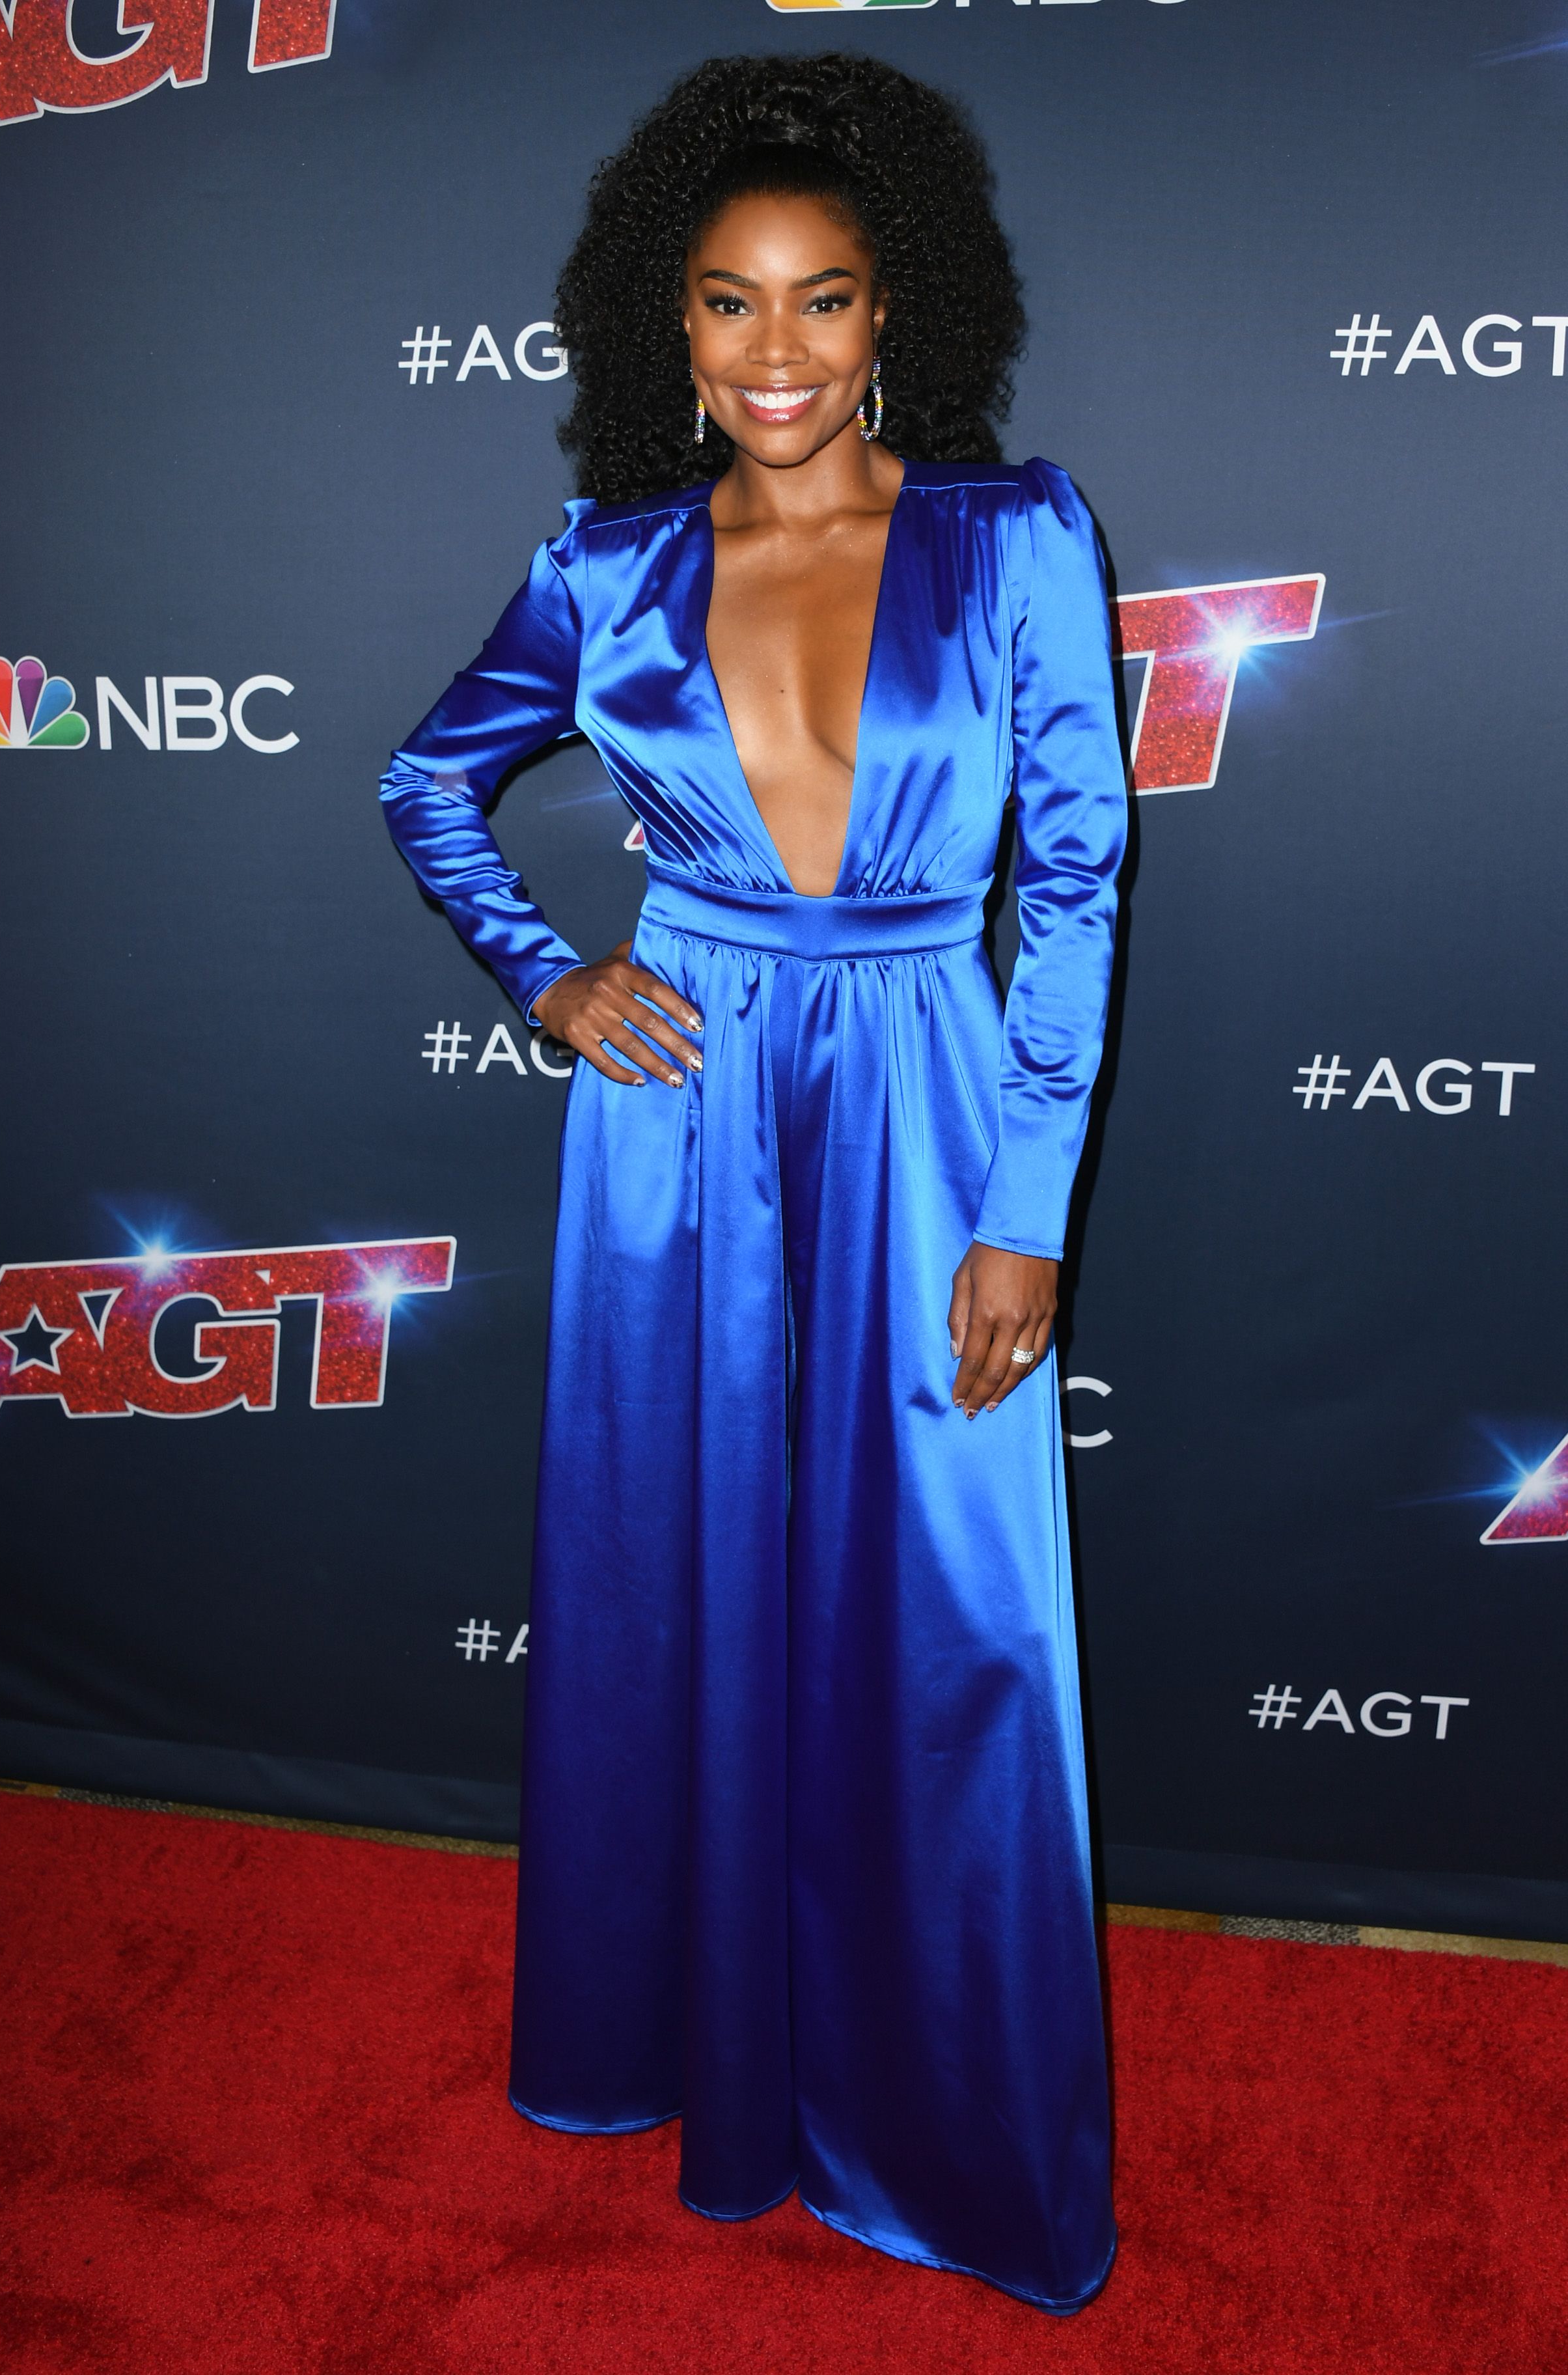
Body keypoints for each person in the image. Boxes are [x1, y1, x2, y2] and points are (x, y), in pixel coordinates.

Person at [379, 53, 1126, 2314]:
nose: (775, 351)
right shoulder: (602, 571)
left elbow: (1074, 882)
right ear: (671, 323)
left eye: (822, 298)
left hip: (926, 1097)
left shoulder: (1016, 539)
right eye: (728, 303)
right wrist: (549, 977)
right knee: (674, 1583)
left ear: (897, 312)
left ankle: (939, 2116)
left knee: (952, 1616)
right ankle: (691, 2059)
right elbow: (427, 783)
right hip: (682, 1111)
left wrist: (1029, 1204)